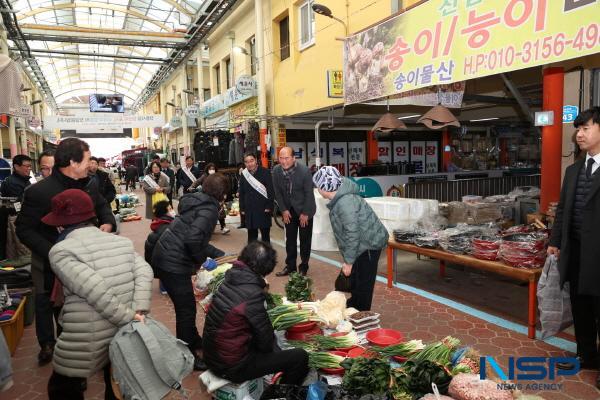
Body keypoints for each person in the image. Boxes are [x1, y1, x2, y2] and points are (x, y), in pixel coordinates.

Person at [42, 189, 153, 400]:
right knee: (117, 382)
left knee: (62, 387)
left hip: (87, 334)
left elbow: (96, 291)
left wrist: (130, 316)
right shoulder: (121, 242)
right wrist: (137, 312)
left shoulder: (61, 250)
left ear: (60, 223)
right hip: (125, 329)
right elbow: (144, 271)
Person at [16, 137, 116, 366]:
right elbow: (24, 229)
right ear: (73, 162)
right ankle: (58, 354)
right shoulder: (39, 192)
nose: (91, 164)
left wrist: (108, 222)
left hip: (86, 262)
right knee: (53, 307)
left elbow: (102, 206)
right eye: (88, 159)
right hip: (50, 264)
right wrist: (55, 252)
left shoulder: (88, 184)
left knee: (79, 312)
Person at [203, 241, 309, 385]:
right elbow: (266, 342)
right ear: (266, 268)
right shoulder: (252, 294)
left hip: (213, 357)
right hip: (231, 367)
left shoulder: (230, 278)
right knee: (299, 357)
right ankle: (279, 394)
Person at [152, 173, 228, 370]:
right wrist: (204, 261)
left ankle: (193, 340)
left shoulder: (197, 202)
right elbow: (193, 241)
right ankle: (187, 355)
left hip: (166, 256)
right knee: (186, 310)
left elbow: (195, 237)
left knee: (186, 307)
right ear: (222, 195)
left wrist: (221, 255)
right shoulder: (210, 209)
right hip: (172, 263)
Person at [547, 106, 600, 387]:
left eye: (586, 128)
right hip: (576, 251)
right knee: (580, 307)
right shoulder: (574, 169)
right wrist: (556, 242)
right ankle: (586, 355)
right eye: (578, 129)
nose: (579, 134)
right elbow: (564, 210)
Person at [313, 166, 388, 311]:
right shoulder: (340, 198)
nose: (317, 189)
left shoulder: (344, 202)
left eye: (318, 186)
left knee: (363, 283)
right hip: (362, 243)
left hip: (368, 245)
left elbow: (352, 234)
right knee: (356, 279)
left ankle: (360, 314)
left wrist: (348, 262)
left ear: (325, 187)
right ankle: (354, 305)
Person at [272, 147, 316, 276]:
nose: (284, 161)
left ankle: (304, 266)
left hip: (304, 210)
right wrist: (284, 210)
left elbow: (309, 194)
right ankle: (290, 266)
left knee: (305, 240)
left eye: (286, 158)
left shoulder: (304, 171)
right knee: (290, 240)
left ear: (293, 158)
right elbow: (278, 193)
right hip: (289, 211)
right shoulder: (276, 171)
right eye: (281, 158)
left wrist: (305, 214)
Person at [239, 153, 274, 243]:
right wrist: (242, 208)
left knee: (265, 237)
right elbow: (242, 192)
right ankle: (252, 256)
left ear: (256, 160)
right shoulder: (244, 174)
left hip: (263, 209)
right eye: (246, 162)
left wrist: (269, 206)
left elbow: (270, 191)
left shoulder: (265, 172)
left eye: (251, 161)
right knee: (251, 236)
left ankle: (267, 256)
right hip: (250, 209)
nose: (249, 164)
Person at [144, 200, 175, 295]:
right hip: (166, 264)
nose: (173, 211)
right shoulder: (168, 228)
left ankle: (164, 286)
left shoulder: (159, 226)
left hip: (159, 263)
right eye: (169, 209)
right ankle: (167, 287)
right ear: (164, 213)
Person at [191, 164, 229, 234]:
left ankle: (223, 227)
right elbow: (197, 182)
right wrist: (192, 187)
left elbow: (224, 185)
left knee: (221, 211)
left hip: (217, 196)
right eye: (210, 169)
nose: (212, 170)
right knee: (208, 212)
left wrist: (224, 194)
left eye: (213, 169)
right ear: (207, 169)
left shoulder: (218, 176)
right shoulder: (204, 176)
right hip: (207, 197)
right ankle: (210, 227)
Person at [234, 162, 246, 229]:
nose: (240, 171)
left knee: (246, 209)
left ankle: (246, 223)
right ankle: (243, 223)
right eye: (240, 170)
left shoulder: (247, 176)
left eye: (242, 170)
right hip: (241, 195)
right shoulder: (238, 176)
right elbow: (239, 186)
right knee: (241, 209)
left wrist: (238, 191)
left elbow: (242, 186)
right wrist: (238, 192)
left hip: (246, 195)